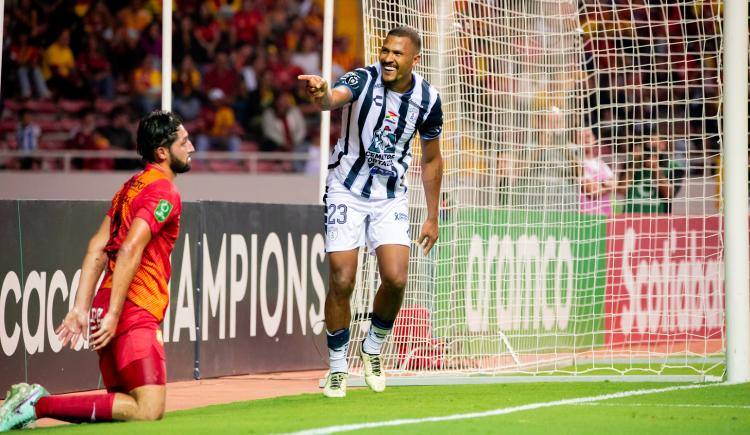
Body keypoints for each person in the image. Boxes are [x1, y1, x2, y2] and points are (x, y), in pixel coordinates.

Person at [0, 110, 195, 431]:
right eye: (184, 142)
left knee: (119, 414)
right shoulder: (164, 192)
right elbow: (131, 247)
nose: (191, 148)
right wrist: (117, 313)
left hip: (106, 306)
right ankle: (36, 403)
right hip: (132, 308)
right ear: (163, 152)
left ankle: (35, 405)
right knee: (149, 409)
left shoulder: (129, 187)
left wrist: (81, 308)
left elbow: (96, 247)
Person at [298, 25, 443, 398]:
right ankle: (336, 368)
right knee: (342, 279)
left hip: (390, 196)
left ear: (415, 59)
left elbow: (430, 158)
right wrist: (321, 92)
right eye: (385, 50)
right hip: (346, 189)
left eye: (397, 53)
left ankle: (373, 349)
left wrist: (432, 214)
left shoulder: (427, 99)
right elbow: (334, 98)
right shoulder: (363, 77)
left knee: (395, 279)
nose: (388, 58)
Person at [578, 127, 617, 217]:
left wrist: (599, 186)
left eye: (588, 136)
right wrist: (606, 185)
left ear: (594, 138)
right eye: (582, 137)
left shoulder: (601, 163)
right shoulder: (578, 164)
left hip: (606, 215)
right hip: (587, 216)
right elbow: (592, 191)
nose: (586, 139)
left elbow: (615, 183)